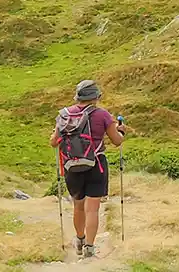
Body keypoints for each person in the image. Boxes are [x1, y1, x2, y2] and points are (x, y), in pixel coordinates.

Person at [50, 79, 126, 258]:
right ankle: (90, 249)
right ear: (96, 97)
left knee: (78, 207)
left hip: (71, 166)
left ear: (78, 97)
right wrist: (122, 131)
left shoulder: (64, 115)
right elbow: (117, 141)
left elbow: (54, 142)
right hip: (96, 164)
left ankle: (80, 239)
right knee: (92, 209)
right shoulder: (103, 115)